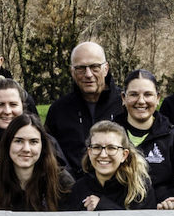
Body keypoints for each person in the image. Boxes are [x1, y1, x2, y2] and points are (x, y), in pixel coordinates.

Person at [45, 41, 119, 172]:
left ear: (106, 69)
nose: (88, 74)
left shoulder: (124, 105)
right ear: (72, 71)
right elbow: (49, 155)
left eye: (95, 67)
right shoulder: (59, 110)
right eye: (81, 68)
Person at [113, 69, 174, 198]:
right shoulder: (109, 136)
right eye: (134, 94)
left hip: (160, 209)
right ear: (123, 98)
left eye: (148, 94)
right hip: (114, 208)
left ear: (157, 98)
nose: (141, 101)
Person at [0, 113, 75, 212]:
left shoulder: (62, 182)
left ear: (43, 146)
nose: (26, 149)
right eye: (19, 141)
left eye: (33, 142)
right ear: (8, 144)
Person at [69, 120, 152, 210]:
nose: (103, 155)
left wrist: (103, 206)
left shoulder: (140, 188)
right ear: (89, 152)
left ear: (124, 155)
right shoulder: (78, 189)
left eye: (111, 148)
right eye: (97, 147)